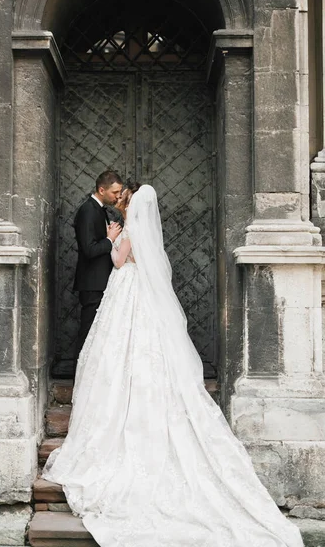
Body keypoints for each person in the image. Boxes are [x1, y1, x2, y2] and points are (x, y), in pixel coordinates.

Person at [43, 184, 303, 547]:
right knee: (146, 349)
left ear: (134, 208)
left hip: (124, 292)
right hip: (142, 296)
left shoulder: (130, 230)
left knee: (116, 351)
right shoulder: (148, 237)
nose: (126, 204)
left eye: (128, 200)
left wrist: (112, 238)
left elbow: (118, 262)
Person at [72, 170, 123, 376]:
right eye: (115, 192)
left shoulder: (99, 210)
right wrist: (110, 239)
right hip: (92, 284)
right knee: (88, 333)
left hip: (100, 282)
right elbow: (90, 250)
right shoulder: (88, 210)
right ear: (101, 190)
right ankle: (82, 379)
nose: (118, 197)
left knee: (96, 334)